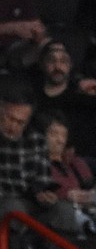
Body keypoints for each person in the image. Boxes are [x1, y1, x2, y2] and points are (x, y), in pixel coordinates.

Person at [34, 40, 96, 159]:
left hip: (83, 162)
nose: (58, 66)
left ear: (70, 65)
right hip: (42, 159)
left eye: (63, 61)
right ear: (42, 64)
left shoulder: (84, 93)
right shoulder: (33, 96)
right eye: (52, 60)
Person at [0, 80, 57, 222]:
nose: (13, 127)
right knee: (13, 208)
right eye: (9, 118)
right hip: (5, 203)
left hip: (29, 201)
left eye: (20, 122)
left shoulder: (36, 140)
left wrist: (45, 195)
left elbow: (42, 181)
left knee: (63, 211)